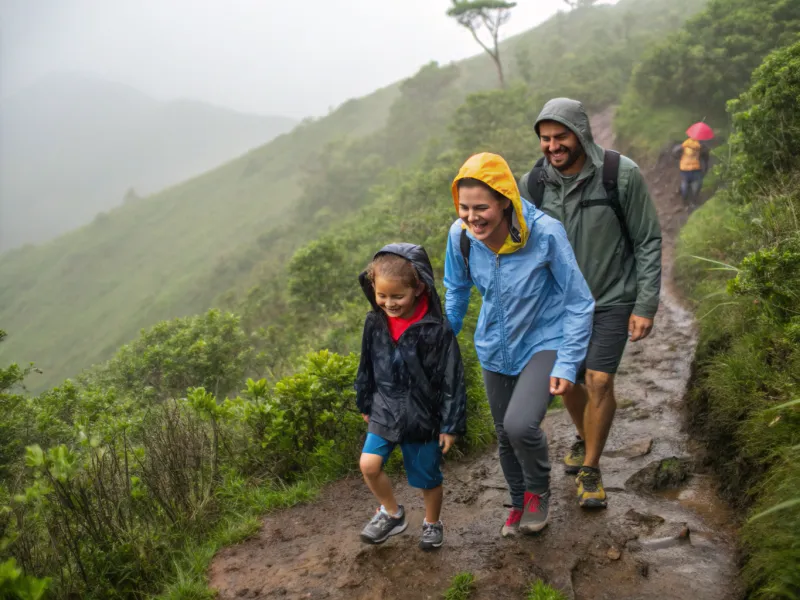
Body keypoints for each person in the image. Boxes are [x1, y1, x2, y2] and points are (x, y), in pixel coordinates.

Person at [518, 98, 662, 509]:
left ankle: (591, 468)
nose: (552, 146)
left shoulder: (620, 175)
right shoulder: (535, 184)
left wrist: (646, 303)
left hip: (612, 296)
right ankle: (585, 436)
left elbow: (647, 240)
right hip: (559, 305)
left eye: (560, 136)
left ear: (581, 132)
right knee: (569, 381)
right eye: (545, 138)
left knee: (599, 380)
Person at [444, 152, 594, 537]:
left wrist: (567, 362)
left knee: (520, 424)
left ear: (505, 201)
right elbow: (457, 290)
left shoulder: (545, 233)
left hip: (545, 341)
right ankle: (516, 500)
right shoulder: (460, 237)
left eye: (482, 208)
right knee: (503, 433)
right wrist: (442, 335)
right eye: (464, 207)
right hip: (494, 345)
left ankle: (538, 492)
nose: (472, 217)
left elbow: (579, 301)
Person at [355, 243, 467, 550]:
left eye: (396, 296)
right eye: (382, 295)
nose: (388, 303)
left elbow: (452, 378)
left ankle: (432, 522)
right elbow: (366, 363)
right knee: (369, 465)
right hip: (385, 406)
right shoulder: (375, 322)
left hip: (422, 414)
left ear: (418, 288)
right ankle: (392, 513)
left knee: (426, 478)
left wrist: (450, 424)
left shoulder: (437, 330)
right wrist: (365, 400)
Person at [675, 137, 710, 206]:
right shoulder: (700, 147)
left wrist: (679, 158)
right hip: (695, 169)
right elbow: (706, 157)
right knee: (697, 183)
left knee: (684, 182)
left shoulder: (684, 145)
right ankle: (694, 200)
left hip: (684, 169)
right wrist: (705, 166)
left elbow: (675, 153)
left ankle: (684, 197)